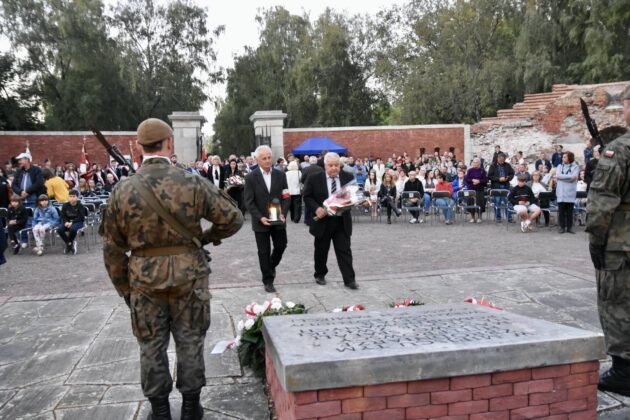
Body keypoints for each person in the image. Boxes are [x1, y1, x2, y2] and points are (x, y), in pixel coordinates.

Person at [101, 118, 243, 420]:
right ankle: (191, 408)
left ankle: (160, 411)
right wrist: (204, 238)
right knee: (190, 340)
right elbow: (232, 218)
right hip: (189, 275)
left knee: (151, 344)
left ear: (139, 148)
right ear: (169, 143)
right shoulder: (191, 181)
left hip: (144, 280)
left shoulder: (122, 190)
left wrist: (125, 289)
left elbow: (112, 248)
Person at [585, 83, 630, 398]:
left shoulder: (622, 149)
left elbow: (602, 202)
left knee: (615, 302)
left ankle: (624, 370)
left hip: (621, 242)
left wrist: (596, 240)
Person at [303, 152, 358, 290]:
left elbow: (353, 195)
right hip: (323, 221)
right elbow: (307, 197)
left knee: (344, 251)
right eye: (331, 165)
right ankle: (320, 274)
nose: (334, 168)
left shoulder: (348, 177)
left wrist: (354, 201)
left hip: (341, 221)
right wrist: (316, 209)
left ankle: (349, 279)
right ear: (325, 165)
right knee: (321, 250)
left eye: (336, 165)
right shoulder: (314, 178)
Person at [244, 145, 289, 293]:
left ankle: (271, 265)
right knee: (263, 251)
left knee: (281, 245)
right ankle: (268, 280)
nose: (268, 160)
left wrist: (284, 213)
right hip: (261, 221)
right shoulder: (250, 177)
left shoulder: (281, 175)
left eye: (269, 157)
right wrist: (259, 217)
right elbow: (249, 202)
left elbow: (286, 196)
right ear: (257, 160)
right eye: (264, 158)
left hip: (278, 219)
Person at [556, 151, 579, 234]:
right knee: (561, 212)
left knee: (569, 212)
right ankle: (562, 227)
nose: (563, 158)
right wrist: (569, 177)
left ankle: (569, 227)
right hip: (561, 192)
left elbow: (574, 178)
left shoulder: (575, 167)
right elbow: (558, 175)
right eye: (563, 157)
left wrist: (561, 177)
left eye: (565, 157)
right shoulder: (559, 166)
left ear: (569, 158)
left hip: (570, 193)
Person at [487, 152, 514, 222]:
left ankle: (509, 218)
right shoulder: (493, 166)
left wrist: (508, 178)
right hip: (496, 186)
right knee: (497, 202)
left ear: (505, 159)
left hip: (505, 186)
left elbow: (512, 173)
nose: (502, 162)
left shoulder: (507, 165)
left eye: (503, 160)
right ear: (497, 159)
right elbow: (489, 176)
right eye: (500, 160)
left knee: (507, 202)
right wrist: (498, 179)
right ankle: (498, 218)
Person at [57, 190, 85, 254]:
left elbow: (81, 218)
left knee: (73, 229)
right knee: (59, 230)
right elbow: (63, 216)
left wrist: (72, 222)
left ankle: (69, 244)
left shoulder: (80, 206)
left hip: (78, 222)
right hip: (67, 222)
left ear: (77, 197)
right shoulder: (65, 205)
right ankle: (69, 243)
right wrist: (66, 222)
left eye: (73, 196)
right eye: (70, 196)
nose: (72, 198)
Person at [300, 156, 324, 225]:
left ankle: (307, 220)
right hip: (319, 189)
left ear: (310, 161)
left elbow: (302, 180)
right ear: (316, 161)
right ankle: (317, 218)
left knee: (308, 204)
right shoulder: (320, 169)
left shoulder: (305, 169)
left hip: (307, 188)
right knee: (317, 204)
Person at [464, 158, 487, 223]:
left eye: (476, 162)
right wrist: (472, 180)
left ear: (479, 163)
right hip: (471, 189)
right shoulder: (469, 170)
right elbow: (466, 179)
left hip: (479, 189)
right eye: (473, 162)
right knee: (470, 202)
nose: (474, 163)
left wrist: (479, 181)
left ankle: (479, 217)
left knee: (480, 203)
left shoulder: (482, 171)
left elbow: (485, 180)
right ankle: (472, 217)